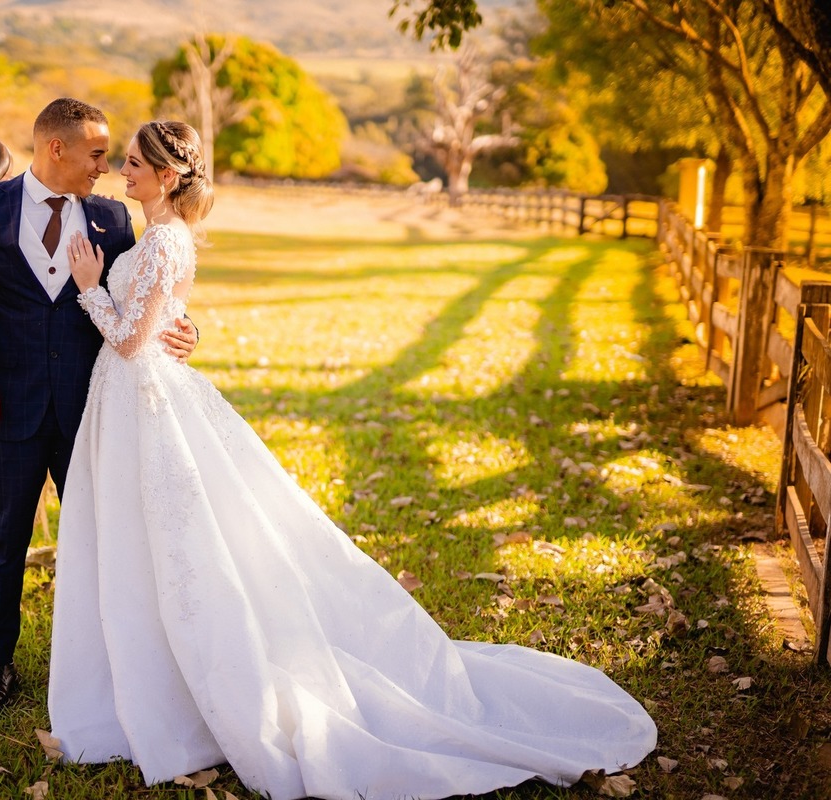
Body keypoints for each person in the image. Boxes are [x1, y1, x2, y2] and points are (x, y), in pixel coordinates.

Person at [47, 119, 657, 800]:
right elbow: (159, 322)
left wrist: (89, 287)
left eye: (132, 164)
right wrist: (167, 320)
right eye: (122, 161)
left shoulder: (163, 239)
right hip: (136, 400)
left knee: (179, 543)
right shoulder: (156, 235)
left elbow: (132, 341)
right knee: (151, 542)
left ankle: (189, 692)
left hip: (143, 391)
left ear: (165, 175)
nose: (121, 173)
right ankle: (151, 673)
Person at [0, 98, 197, 710]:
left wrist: (189, 331)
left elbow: (147, 296)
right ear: (57, 149)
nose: (104, 167)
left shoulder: (110, 218)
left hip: (94, 411)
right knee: (5, 537)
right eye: (97, 154)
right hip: (9, 406)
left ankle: (106, 660)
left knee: (104, 539)